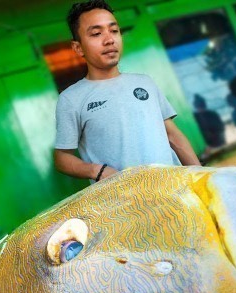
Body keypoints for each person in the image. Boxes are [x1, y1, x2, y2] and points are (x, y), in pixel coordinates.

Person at [54, 0, 201, 183]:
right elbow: (61, 158)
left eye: (114, 31)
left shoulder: (144, 83)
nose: (109, 40)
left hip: (174, 189)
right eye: (97, 33)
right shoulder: (71, 99)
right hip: (124, 203)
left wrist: (203, 176)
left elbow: (173, 135)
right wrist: (96, 170)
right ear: (78, 47)